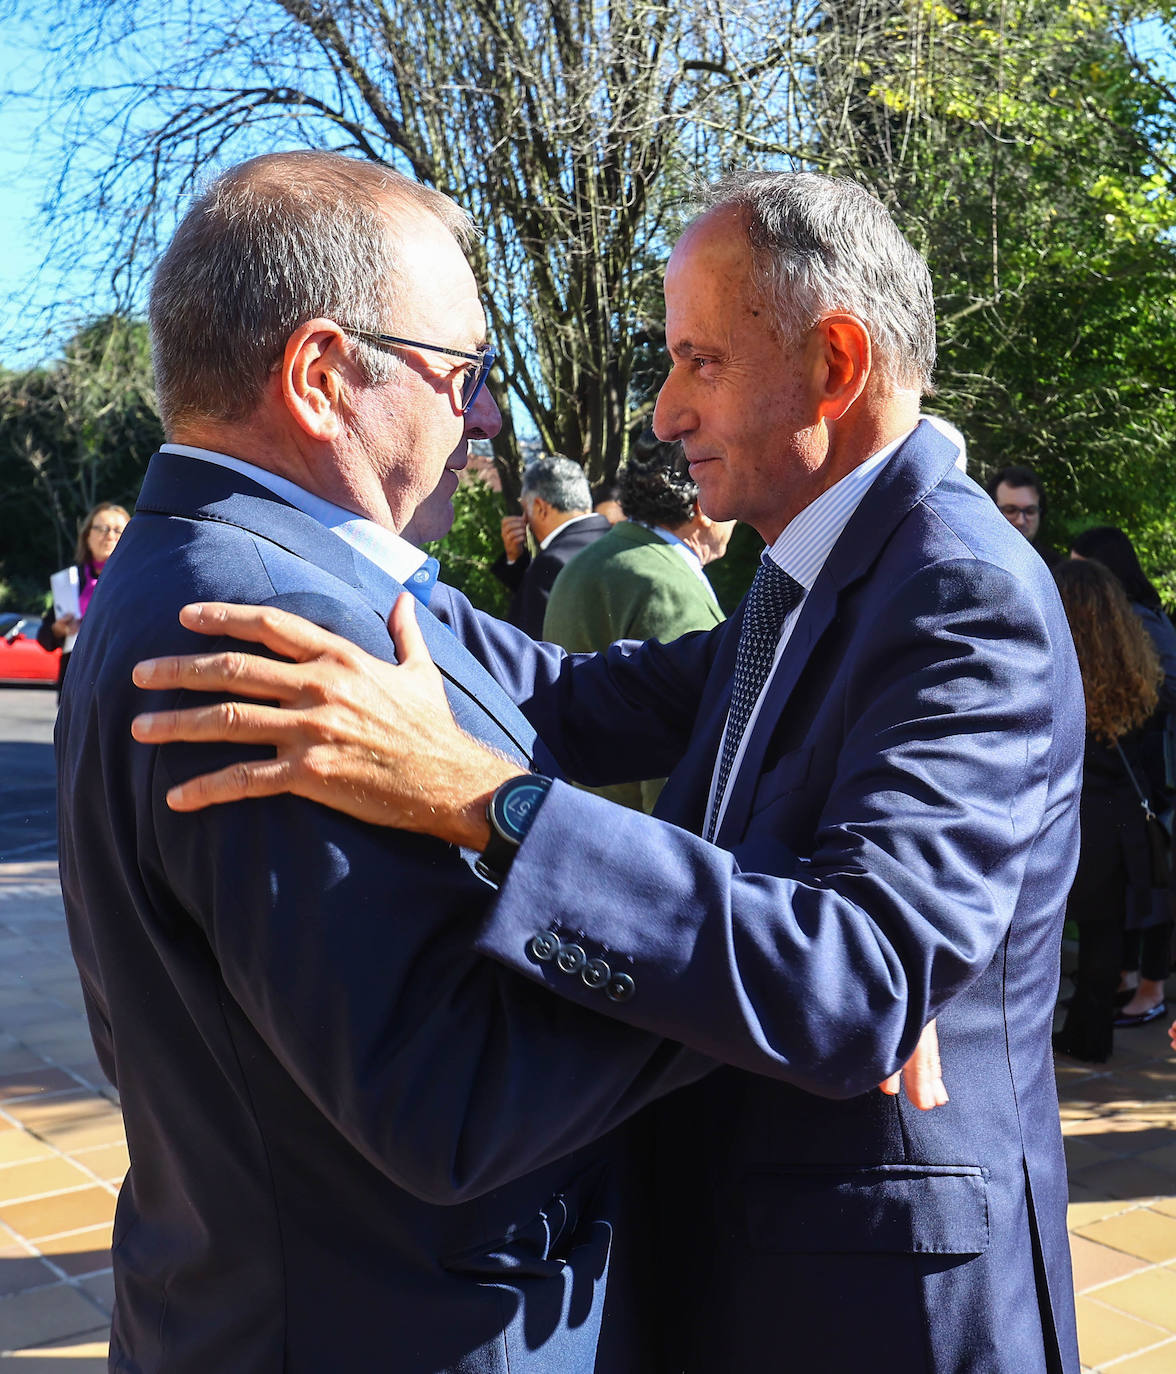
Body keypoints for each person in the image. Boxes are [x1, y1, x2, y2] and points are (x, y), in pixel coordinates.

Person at [132, 170, 1084, 1372]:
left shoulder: (960, 587)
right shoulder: (810, 574)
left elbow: (866, 973)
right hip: (748, 1264)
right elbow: (578, 698)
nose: (661, 414)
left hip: (878, 1306)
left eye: (700, 361)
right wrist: (339, 584)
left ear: (835, 367)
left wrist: (489, 802)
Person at [55, 150, 734, 1374]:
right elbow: (451, 1101)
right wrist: (781, 959)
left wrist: (843, 627)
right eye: (463, 373)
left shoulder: (287, 569)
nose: (481, 418)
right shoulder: (265, 629)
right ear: (322, 375)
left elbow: (577, 701)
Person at [543, 432, 734, 810]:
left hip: (571, 821)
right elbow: (675, 780)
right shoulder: (666, 586)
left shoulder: (593, 558)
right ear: (701, 505)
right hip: (629, 847)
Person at [1051, 558, 1166, 1060]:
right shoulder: (1136, 671)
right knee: (1104, 935)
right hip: (1124, 825)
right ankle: (1091, 1035)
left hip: (1074, 820)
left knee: (1046, 931)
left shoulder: (1055, 666)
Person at [1070, 525, 1176, 1026]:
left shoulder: (1141, 634)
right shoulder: (1134, 643)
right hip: (1134, 799)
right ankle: (1125, 989)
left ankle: (1138, 995)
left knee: (1129, 909)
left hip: (1131, 797)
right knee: (1127, 910)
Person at [492, 455, 611, 635]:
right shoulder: (619, 540)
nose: (525, 520)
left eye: (525, 510)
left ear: (540, 507)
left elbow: (532, 650)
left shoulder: (551, 562)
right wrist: (515, 560)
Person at [37, 502, 129, 695]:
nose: (110, 535)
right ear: (87, 535)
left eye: (118, 530)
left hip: (120, 683)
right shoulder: (70, 582)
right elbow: (44, 638)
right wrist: (58, 630)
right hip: (75, 685)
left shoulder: (135, 580)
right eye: (102, 528)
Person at [985, 463, 1063, 566]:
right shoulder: (974, 562)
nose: (1021, 521)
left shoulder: (1055, 570)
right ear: (991, 510)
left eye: (1030, 511)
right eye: (1010, 510)